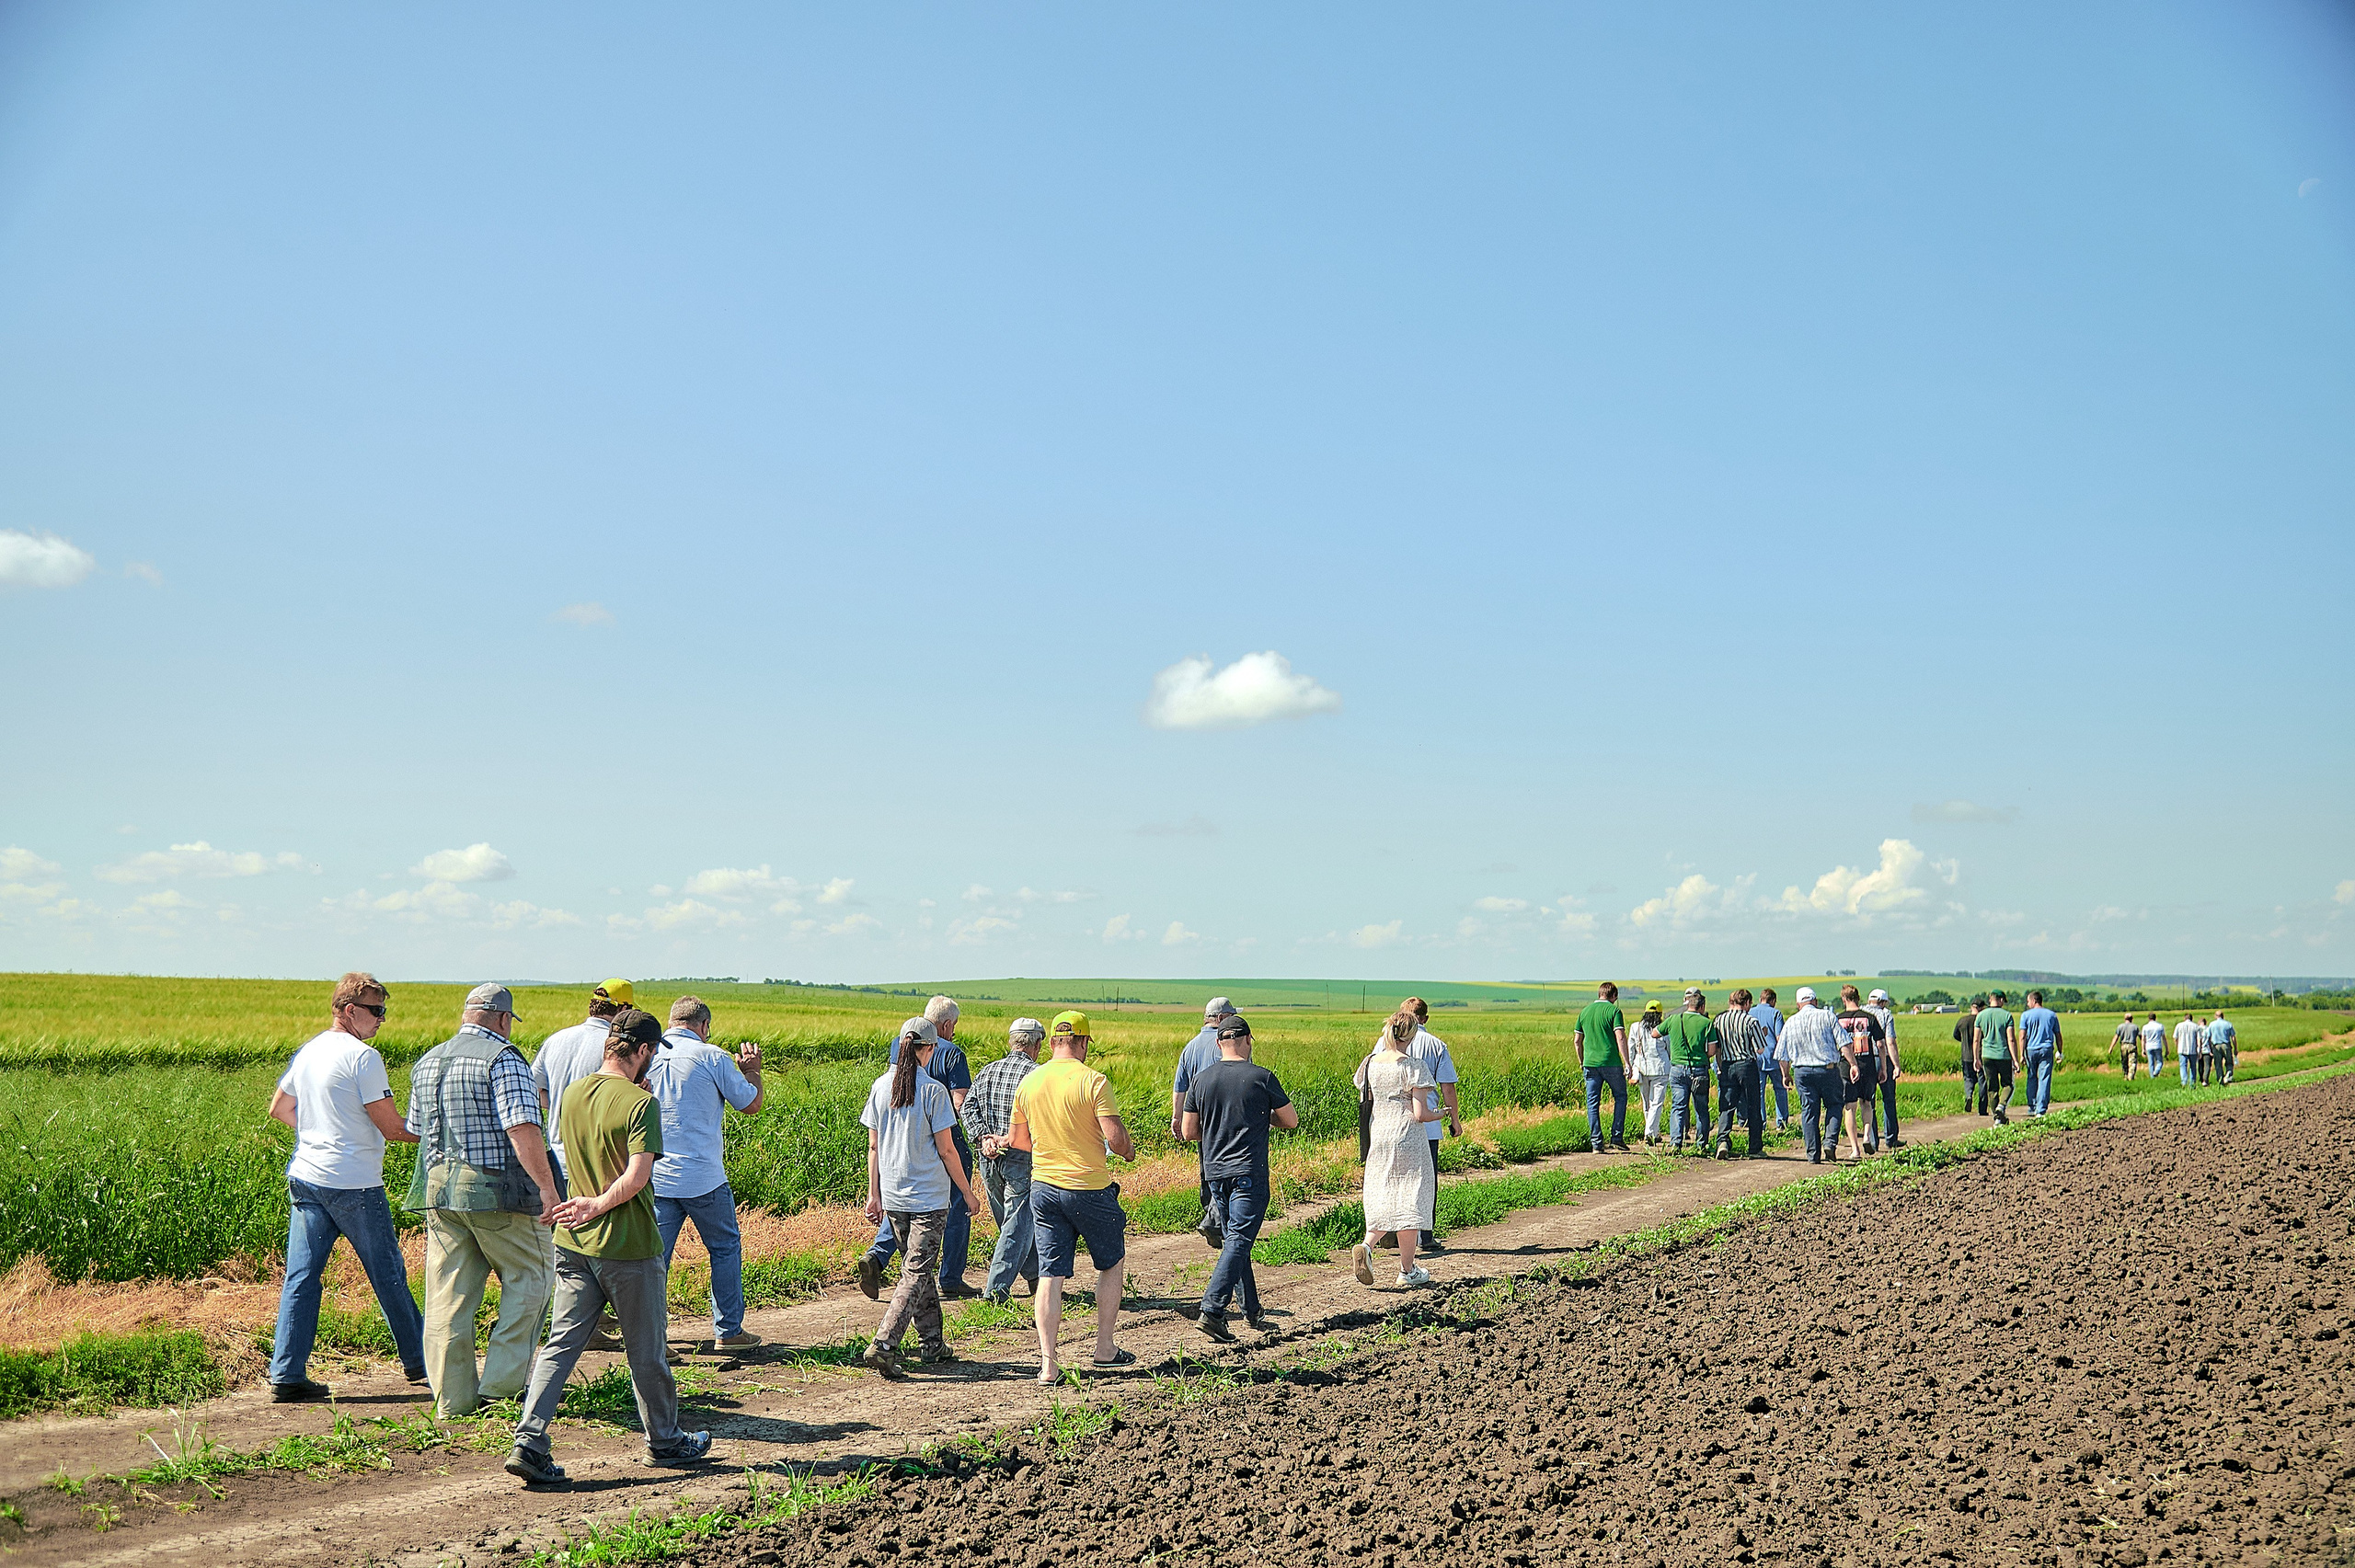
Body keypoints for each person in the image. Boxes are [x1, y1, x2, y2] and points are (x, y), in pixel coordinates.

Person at [506, 1008, 711, 1487]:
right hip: (628, 1245)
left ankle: (529, 1440)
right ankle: (665, 1441)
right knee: (646, 1351)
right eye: (652, 1053)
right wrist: (597, 1205)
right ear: (643, 1050)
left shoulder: (573, 1094)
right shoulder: (642, 1105)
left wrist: (584, 1207)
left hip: (573, 1242)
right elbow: (637, 1177)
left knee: (560, 1346)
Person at [265, 971, 427, 1402]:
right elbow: (393, 1128)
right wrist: (438, 1135)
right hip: (355, 1184)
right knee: (388, 1274)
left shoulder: (310, 1050)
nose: (382, 1019)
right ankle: (421, 1361)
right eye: (376, 1010)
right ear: (350, 1010)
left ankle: (286, 1372)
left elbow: (279, 1108)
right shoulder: (364, 1058)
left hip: (307, 1177)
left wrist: (320, 1134)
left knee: (301, 1277)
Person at [406, 983, 558, 1420]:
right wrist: (547, 1188)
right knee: (531, 1276)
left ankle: (451, 1401)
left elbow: (415, 1129)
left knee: (448, 1296)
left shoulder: (428, 1060)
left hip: (439, 1191)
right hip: (497, 1191)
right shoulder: (504, 1058)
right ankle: (501, 1389)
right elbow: (522, 1128)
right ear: (504, 1019)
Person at [1006, 1012, 1135, 1382]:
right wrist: (1127, 1151)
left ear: (1052, 1043)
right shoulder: (1094, 1081)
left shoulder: (1030, 1082)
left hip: (1044, 1188)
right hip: (1089, 1186)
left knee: (1051, 1272)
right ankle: (1105, 1348)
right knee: (1110, 1263)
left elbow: (1018, 1141)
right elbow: (1116, 1139)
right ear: (1083, 1043)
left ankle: (1048, 1364)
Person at [856, 1017, 980, 1377]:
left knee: (918, 1271)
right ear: (929, 1049)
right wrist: (968, 1193)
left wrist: (874, 1195)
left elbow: (873, 1147)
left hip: (894, 1197)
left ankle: (932, 1344)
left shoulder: (880, 1086)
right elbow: (947, 1150)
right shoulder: (933, 1091)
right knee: (915, 1274)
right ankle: (884, 1344)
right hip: (929, 1200)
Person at [646, 996, 764, 1351]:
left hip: (656, 1176)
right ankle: (728, 1332)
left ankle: (652, 1339)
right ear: (703, 1026)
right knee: (724, 1249)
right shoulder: (712, 1056)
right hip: (704, 1178)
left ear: (671, 1022)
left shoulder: (647, 1055)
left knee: (655, 1260)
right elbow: (751, 1103)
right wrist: (752, 1071)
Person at [1181, 1013, 1298, 1340]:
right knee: (1239, 1240)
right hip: (1249, 1171)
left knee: (1235, 1238)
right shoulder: (1262, 1077)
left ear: (1219, 1043)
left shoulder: (1201, 1079)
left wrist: (1217, 1128)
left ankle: (1251, 1309)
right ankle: (1212, 1310)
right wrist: (1261, 1117)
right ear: (1247, 1040)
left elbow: (1189, 1131)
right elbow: (1291, 1120)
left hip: (1215, 1173)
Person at [1350, 997, 1460, 1250]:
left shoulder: (1375, 1055)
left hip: (1380, 1130)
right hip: (1418, 1130)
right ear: (1423, 1019)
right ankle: (1423, 1240)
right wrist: (1449, 1116)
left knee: (1385, 1182)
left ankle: (1378, 1238)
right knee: (1417, 1188)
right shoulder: (1433, 1048)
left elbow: (1366, 1090)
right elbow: (1446, 1088)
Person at [1352, 1010, 1442, 1289]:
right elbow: (1420, 1114)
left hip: (1379, 1134)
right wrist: (1442, 1113)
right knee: (1410, 1199)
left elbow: (1368, 1095)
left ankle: (1367, 1245)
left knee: (1383, 1192)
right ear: (1412, 1035)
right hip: (1408, 1138)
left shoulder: (1370, 1063)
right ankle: (1407, 1269)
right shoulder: (1414, 1066)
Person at [965, 1017, 1046, 1303]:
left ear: (1012, 1042)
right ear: (1037, 1045)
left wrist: (983, 1138)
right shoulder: (1037, 1075)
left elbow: (967, 1107)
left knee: (1012, 1223)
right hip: (1021, 1158)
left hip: (987, 1159)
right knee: (1016, 1224)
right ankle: (995, 1291)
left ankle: (1037, 1279)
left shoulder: (988, 1070)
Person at [533, 979, 635, 1197]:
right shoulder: (616, 1047)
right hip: (596, 1167)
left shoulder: (555, 1040)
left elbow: (535, 1092)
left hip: (557, 1161)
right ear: (623, 1009)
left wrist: (563, 1107)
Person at [1176, 998, 1238, 1248]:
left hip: (1198, 1121)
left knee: (1207, 1170)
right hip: (1224, 1119)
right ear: (1221, 1019)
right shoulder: (1226, 1045)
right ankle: (1215, 1221)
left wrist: (1177, 1118)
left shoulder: (1190, 1047)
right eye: (1232, 1016)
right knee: (1227, 1171)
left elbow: (1180, 1087)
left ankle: (1213, 1219)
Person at [1776, 988, 1847, 1163]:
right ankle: (1829, 1142)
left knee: (1809, 1111)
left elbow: (1782, 1055)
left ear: (1798, 1004)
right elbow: (1844, 1042)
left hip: (1803, 1072)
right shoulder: (1827, 1016)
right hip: (1828, 1069)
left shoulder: (1791, 1022)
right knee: (1835, 1105)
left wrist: (1785, 1075)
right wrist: (1853, 1064)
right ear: (1815, 1001)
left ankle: (1813, 1155)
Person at [1574, 981, 1632, 1153]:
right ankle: (1617, 1137)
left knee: (1592, 1103)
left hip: (1590, 1064)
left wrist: (1582, 1061)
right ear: (1614, 996)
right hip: (1611, 1062)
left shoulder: (1584, 1012)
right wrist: (1627, 1062)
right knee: (1620, 1097)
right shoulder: (1614, 1011)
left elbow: (1577, 1041)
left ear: (1600, 994)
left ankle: (1596, 1143)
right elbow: (1620, 1037)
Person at [1710, 990, 1768, 1159]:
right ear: (1747, 1003)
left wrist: (1720, 1067)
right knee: (1753, 1106)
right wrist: (1762, 1035)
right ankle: (1755, 1147)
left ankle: (1722, 1141)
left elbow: (1717, 1048)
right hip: (1746, 1065)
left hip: (1727, 1065)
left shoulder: (1719, 1020)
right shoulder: (1750, 1021)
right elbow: (1760, 1049)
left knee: (1726, 1107)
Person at [1832, 984, 1886, 1160]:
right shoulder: (1869, 1018)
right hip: (1867, 1065)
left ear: (1843, 999)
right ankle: (1868, 1135)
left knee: (1850, 1107)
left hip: (1846, 1066)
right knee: (1867, 1103)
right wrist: (1883, 1067)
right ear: (1858, 998)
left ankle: (1855, 1149)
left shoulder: (1838, 1019)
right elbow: (1880, 1044)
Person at [1663, 989, 1718, 1155]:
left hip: (1677, 1069)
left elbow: (1655, 1033)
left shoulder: (1674, 1019)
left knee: (1678, 1106)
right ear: (1702, 1007)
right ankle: (1702, 1144)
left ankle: (1675, 1142)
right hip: (1699, 1070)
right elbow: (1712, 1051)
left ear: (1687, 1004)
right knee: (1701, 1108)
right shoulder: (1707, 1023)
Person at [1627, 1001, 1672, 1146]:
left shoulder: (1635, 1027)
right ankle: (1650, 1132)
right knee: (1656, 1103)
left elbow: (1631, 1049)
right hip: (1660, 1068)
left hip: (1641, 1068)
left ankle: (1653, 1132)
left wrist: (1630, 1067)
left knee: (1647, 1103)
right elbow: (1669, 1049)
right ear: (1660, 1014)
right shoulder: (1664, 1028)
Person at [1865, 988, 1903, 1150]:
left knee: (1869, 1101)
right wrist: (1896, 1065)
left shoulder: (1862, 1013)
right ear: (1883, 1002)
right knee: (1888, 1098)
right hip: (1883, 1058)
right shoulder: (1886, 1015)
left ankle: (1873, 1141)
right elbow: (1890, 1041)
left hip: (1866, 1059)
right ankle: (1891, 1138)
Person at [1974, 991, 2018, 1123]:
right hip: (2004, 1055)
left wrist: (1976, 1058)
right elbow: (2011, 1039)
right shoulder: (2007, 1016)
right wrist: (2015, 1059)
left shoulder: (1981, 1016)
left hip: (1987, 1055)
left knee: (1992, 1088)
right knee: (2008, 1085)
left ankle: (1997, 1119)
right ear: (2000, 1000)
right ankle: (2001, 1106)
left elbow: (1976, 1040)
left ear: (1990, 1000)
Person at [2018, 990, 2063, 1117]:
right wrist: (2060, 1051)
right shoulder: (2052, 1015)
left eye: (2028, 1001)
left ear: (2034, 1001)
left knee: (2031, 1077)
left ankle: (2032, 1106)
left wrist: (2021, 1054)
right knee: (2044, 1078)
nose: (2028, 1004)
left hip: (2031, 1050)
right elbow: (2058, 1035)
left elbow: (2022, 1036)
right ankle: (2041, 1109)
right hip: (2046, 1049)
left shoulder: (2025, 1015)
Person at [1751, 988, 1789, 1131]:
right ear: (1773, 1000)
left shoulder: (1750, 1013)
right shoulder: (1776, 1013)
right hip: (1773, 1057)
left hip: (1756, 1057)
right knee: (1780, 1090)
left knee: (1759, 1092)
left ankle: (1761, 1124)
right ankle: (1782, 1123)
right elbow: (1780, 1037)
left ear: (1760, 999)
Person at [1953, 998, 1984, 1112]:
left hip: (1966, 1055)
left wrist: (1964, 1040)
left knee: (1968, 1078)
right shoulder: (1982, 1021)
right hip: (1980, 1055)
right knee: (1982, 1080)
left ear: (1971, 1007)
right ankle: (1982, 1108)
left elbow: (1955, 1035)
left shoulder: (1962, 1021)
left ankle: (1969, 1095)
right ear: (1981, 1008)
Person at [2208, 1008, 2237, 1085]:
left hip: (2216, 1046)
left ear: (2215, 1016)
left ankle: (2220, 1079)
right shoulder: (2228, 1024)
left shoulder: (2211, 1024)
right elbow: (2233, 1037)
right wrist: (2235, 1048)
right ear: (2223, 1016)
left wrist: (2210, 1048)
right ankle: (2228, 1076)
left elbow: (2208, 1037)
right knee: (2229, 1062)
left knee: (2218, 1064)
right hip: (2226, 1045)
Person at [2173, 1012, 2201, 1087]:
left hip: (2182, 1049)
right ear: (2192, 1019)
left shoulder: (2179, 1025)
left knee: (2183, 1066)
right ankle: (2192, 1083)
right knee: (2193, 1067)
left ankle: (2184, 1082)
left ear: (2184, 1018)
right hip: (2193, 1049)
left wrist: (2177, 1046)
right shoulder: (2196, 1026)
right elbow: (2199, 1039)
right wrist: (2199, 1050)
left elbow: (2175, 1038)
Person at [2111, 1012, 2140, 1082]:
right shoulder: (2135, 1027)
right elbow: (2141, 1037)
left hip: (2123, 1046)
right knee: (2132, 1062)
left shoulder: (2120, 1027)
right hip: (2132, 1045)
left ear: (2125, 1019)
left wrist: (2111, 1048)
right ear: (2132, 1019)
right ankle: (2131, 1077)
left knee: (2124, 1062)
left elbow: (2116, 1038)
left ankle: (2125, 1076)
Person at [2139, 1013, 2166, 1084]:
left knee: (2151, 1063)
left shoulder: (2145, 1027)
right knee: (2160, 1062)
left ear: (2149, 1018)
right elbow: (2163, 1038)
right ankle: (2156, 1072)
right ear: (2155, 1018)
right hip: (2157, 1046)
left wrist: (2143, 1049)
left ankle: (2152, 1077)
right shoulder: (2160, 1026)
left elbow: (2143, 1039)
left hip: (2149, 1046)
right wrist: (2166, 1047)